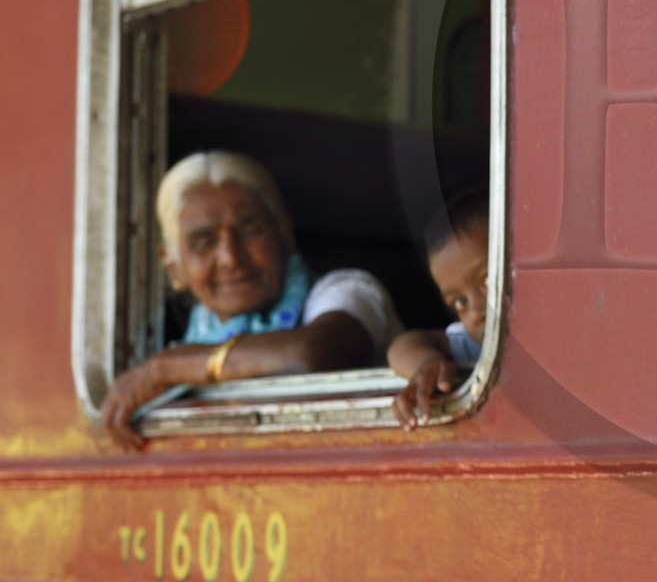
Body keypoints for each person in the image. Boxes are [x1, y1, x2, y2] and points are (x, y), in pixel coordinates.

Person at [101, 151, 402, 450]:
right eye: (204, 242)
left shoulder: (349, 292)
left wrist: (161, 368)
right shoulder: (188, 349)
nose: (230, 258)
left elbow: (309, 355)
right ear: (174, 267)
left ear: (285, 233)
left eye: (249, 230)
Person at [387, 192, 489, 430]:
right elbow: (401, 346)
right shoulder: (474, 344)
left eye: (488, 280)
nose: (476, 312)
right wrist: (428, 364)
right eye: (460, 301)